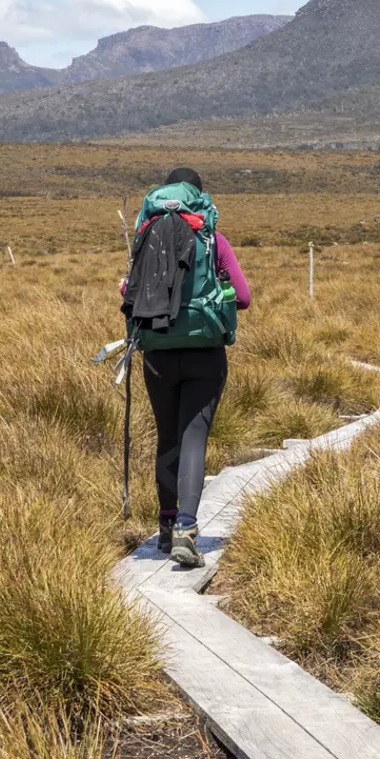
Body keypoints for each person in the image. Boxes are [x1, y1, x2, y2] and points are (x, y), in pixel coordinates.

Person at [120, 167, 251, 568]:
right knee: (194, 437)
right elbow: (243, 297)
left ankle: (164, 527)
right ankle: (188, 530)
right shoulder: (212, 238)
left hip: (157, 351)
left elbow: (130, 292)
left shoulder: (148, 236)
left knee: (167, 437)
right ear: (200, 197)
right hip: (205, 351)